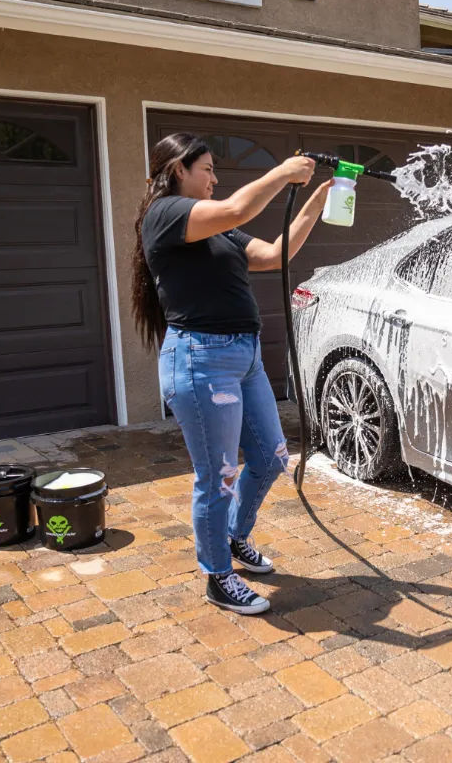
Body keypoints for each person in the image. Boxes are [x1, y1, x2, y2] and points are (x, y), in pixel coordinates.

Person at [132, 133, 331, 614]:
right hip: (201, 358)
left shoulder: (215, 228)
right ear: (178, 169)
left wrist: (315, 203)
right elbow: (240, 208)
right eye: (208, 168)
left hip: (244, 357)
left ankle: (235, 537)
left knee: (270, 456)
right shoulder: (165, 215)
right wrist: (282, 172)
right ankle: (217, 576)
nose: (215, 178)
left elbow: (273, 255)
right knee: (217, 475)